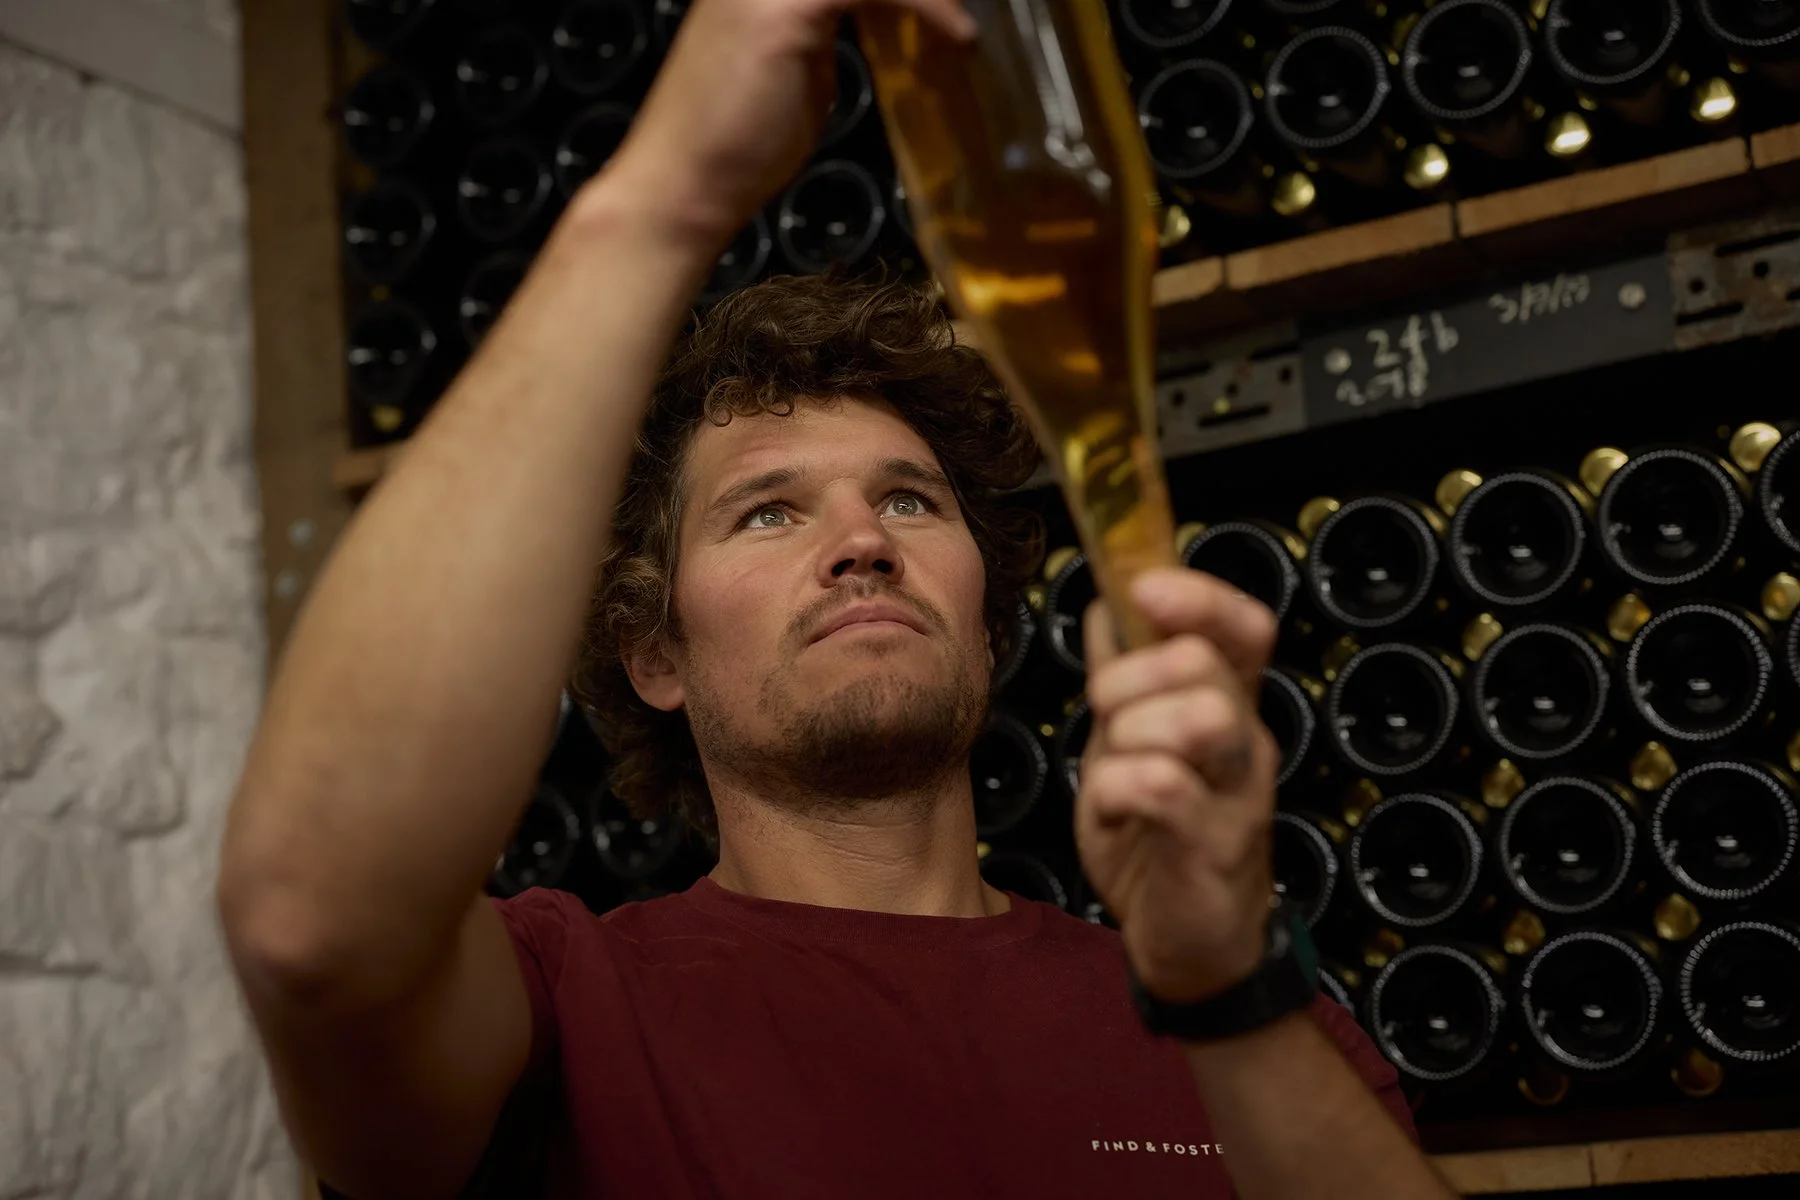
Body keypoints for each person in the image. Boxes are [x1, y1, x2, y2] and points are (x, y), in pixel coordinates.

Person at [217, 1, 1457, 1197]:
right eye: (770, 511)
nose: (863, 541)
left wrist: (1224, 988)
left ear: (985, 613)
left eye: (911, 500)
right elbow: (309, 927)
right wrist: (665, 196)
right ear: (655, 650)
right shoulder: (565, 999)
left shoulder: (1242, 1019)